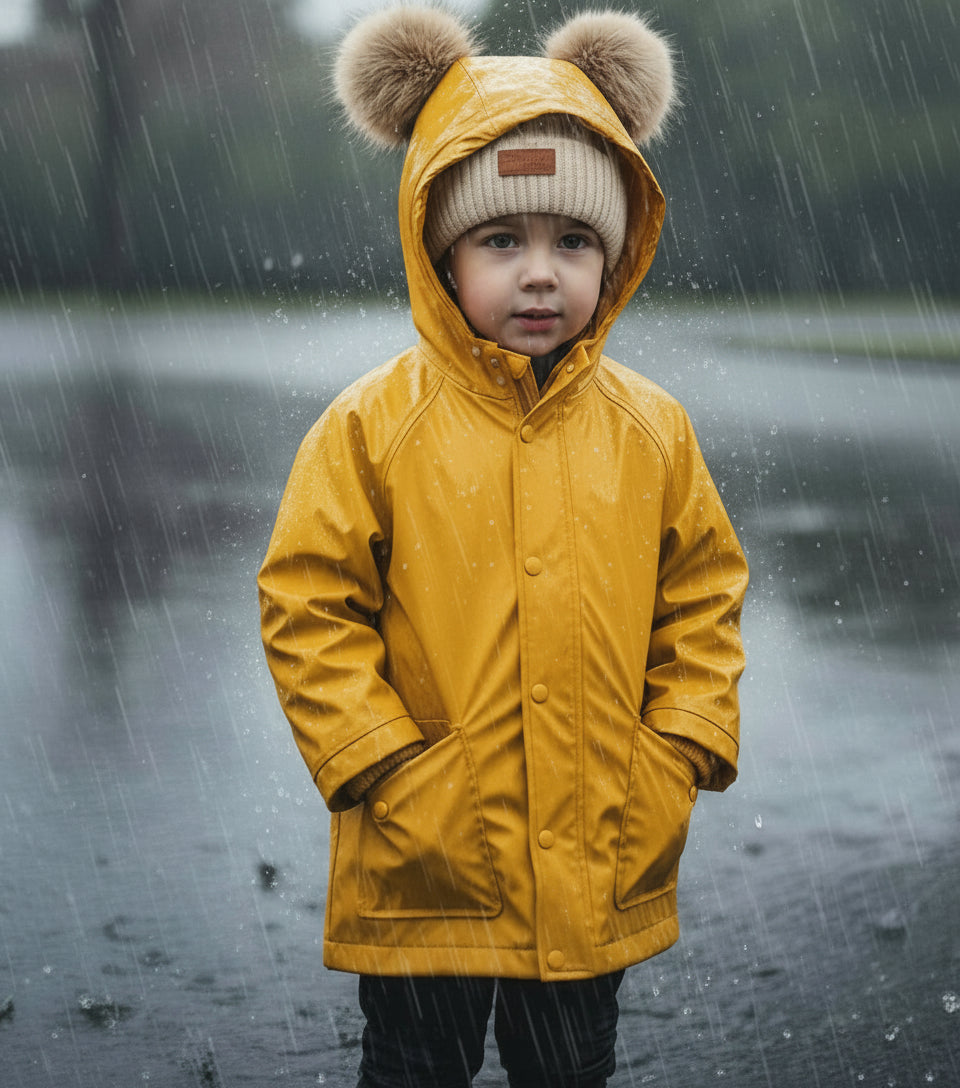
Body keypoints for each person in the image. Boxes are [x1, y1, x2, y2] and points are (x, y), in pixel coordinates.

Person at [258, 7, 749, 1087]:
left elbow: (704, 593)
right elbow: (308, 600)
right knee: (413, 1066)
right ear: (441, 253)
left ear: (615, 255)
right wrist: (377, 758)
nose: (540, 274)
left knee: (570, 1068)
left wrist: (679, 743)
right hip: (426, 852)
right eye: (501, 240)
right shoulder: (372, 426)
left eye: (573, 241)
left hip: (598, 846)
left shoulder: (652, 429)